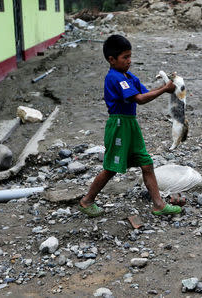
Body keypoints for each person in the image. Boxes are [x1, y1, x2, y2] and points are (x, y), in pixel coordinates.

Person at [78, 34, 182, 217]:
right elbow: (140, 99)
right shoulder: (115, 78)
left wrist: (165, 85)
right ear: (111, 59)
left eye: (130, 56)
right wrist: (165, 89)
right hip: (119, 124)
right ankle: (87, 201)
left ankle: (158, 205)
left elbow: (145, 92)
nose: (129, 61)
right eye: (125, 57)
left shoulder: (128, 76)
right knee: (111, 167)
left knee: (146, 163)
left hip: (130, 124)